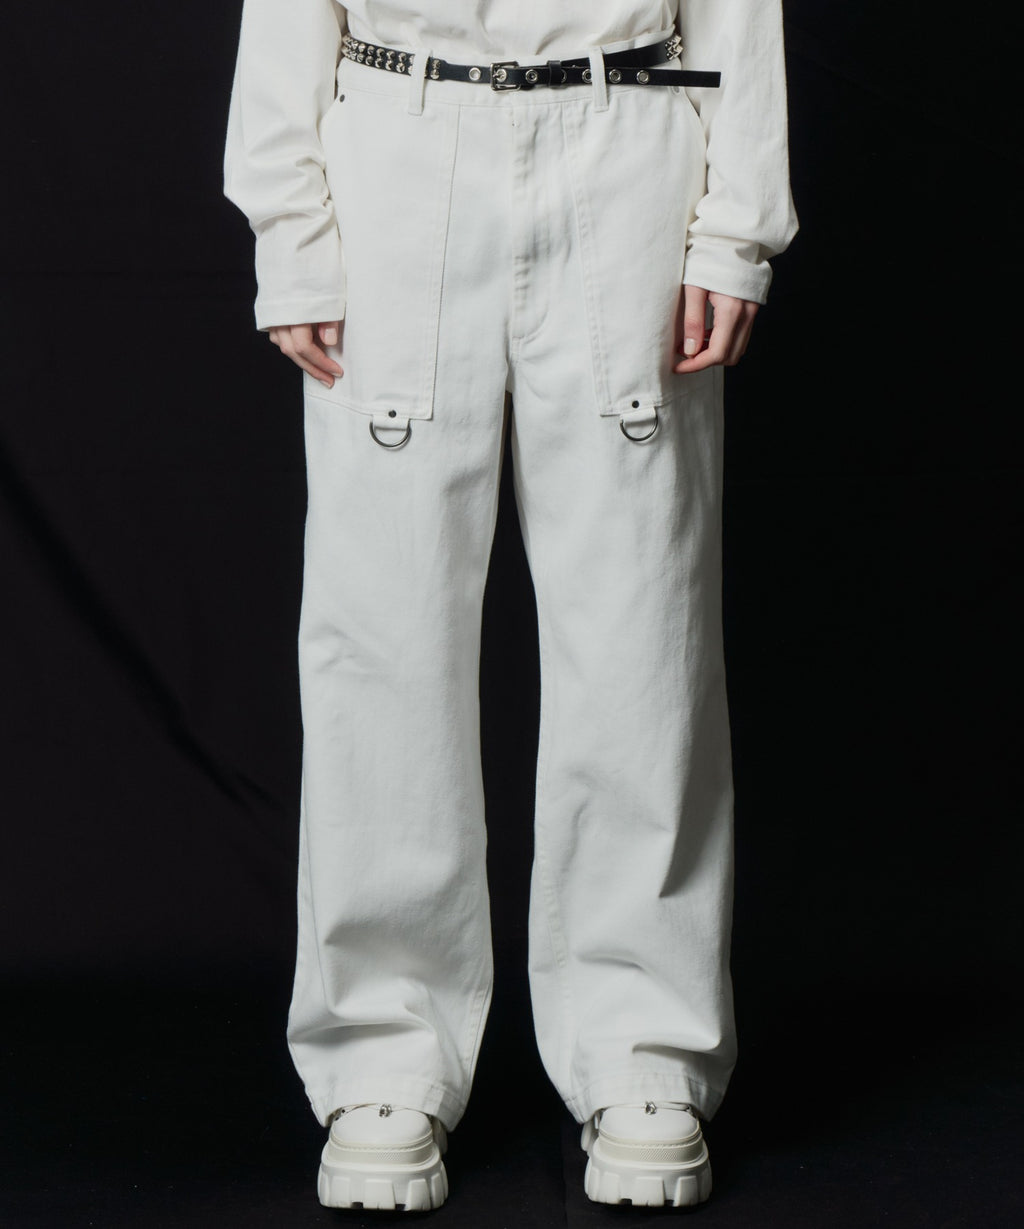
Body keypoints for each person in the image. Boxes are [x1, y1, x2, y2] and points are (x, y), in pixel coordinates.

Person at [224, 0, 796, 1212]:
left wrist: (734, 228)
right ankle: (384, 1051)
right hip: (397, 144)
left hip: (630, 136)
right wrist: (292, 229)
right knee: (379, 632)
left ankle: (644, 1046)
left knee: (644, 629)